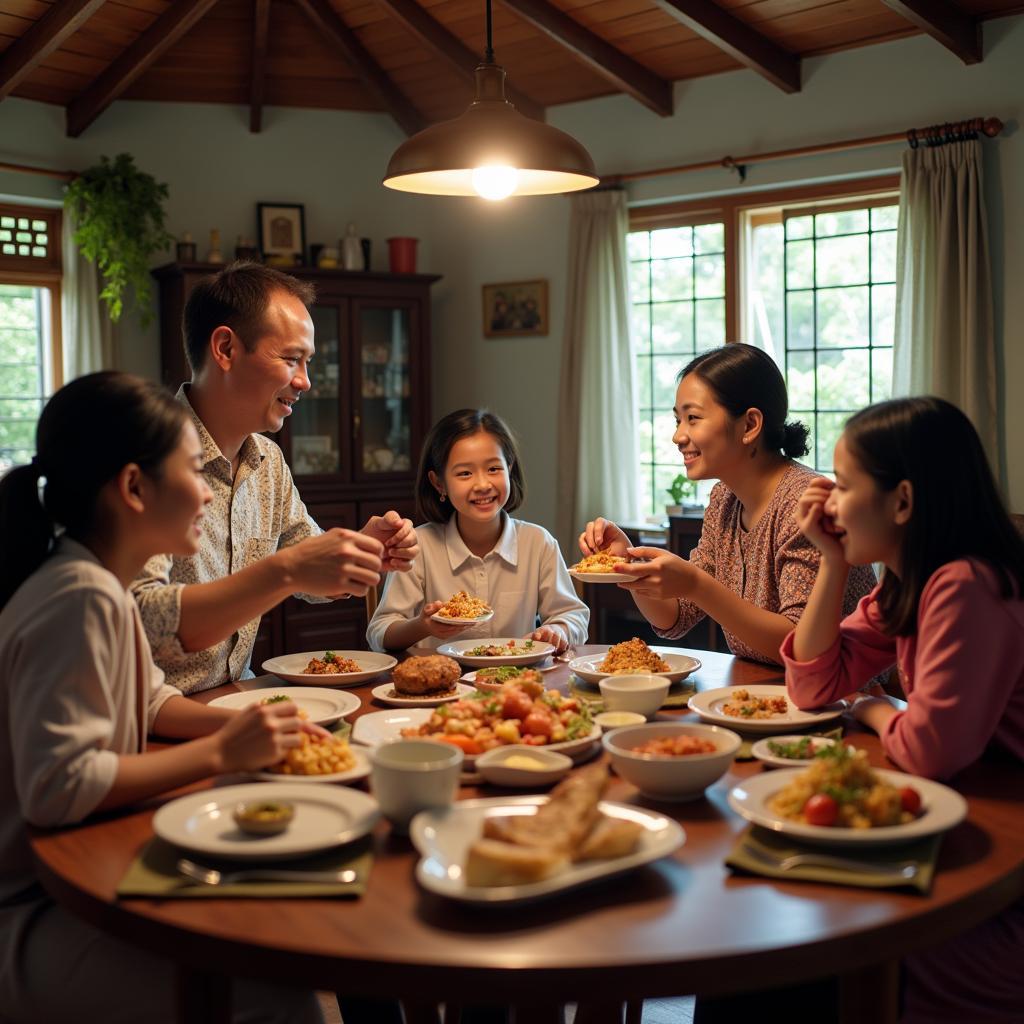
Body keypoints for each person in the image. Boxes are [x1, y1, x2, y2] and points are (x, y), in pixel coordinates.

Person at [0, 372, 323, 1024]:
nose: (208, 491)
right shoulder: (78, 597)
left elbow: (150, 704)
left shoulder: (95, 582)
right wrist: (223, 755)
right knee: (280, 999)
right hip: (30, 912)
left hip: (70, 879)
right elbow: (60, 786)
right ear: (132, 487)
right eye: (191, 472)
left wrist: (263, 725)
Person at [775, 396, 1024, 1024]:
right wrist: (832, 561)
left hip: (1006, 855)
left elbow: (930, 750)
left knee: (801, 944)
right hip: (978, 809)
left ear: (904, 502)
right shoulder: (911, 581)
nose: (827, 502)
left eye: (845, 485)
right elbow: (811, 683)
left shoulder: (965, 584)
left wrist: (874, 709)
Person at [130, 261, 419, 695]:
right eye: (291, 359)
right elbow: (137, 614)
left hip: (238, 693)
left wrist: (360, 550)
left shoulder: (267, 459)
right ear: (225, 349)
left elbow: (305, 563)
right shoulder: (147, 456)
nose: (304, 382)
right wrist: (283, 571)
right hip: (155, 717)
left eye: (307, 362)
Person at [580, 344, 876, 665]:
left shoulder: (805, 503)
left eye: (693, 418)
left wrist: (697, 585)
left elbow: (801, 643)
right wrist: (627, 566)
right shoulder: (725, 499)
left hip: (841, 699)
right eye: (678, 420)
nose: (678, 436)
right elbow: (676, 618)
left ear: (749, 425)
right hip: (766, 692)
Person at [367, 408, 589, 653]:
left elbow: (572, 615)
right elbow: (380, 633)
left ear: (510, 468)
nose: (483, 485)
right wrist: (423, 626)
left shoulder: (537, 543)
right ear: (439, 483)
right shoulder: (417, 546)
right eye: (464, 473)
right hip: (441, 684)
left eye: (494, 469)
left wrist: (558, 630)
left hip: (515, 683)